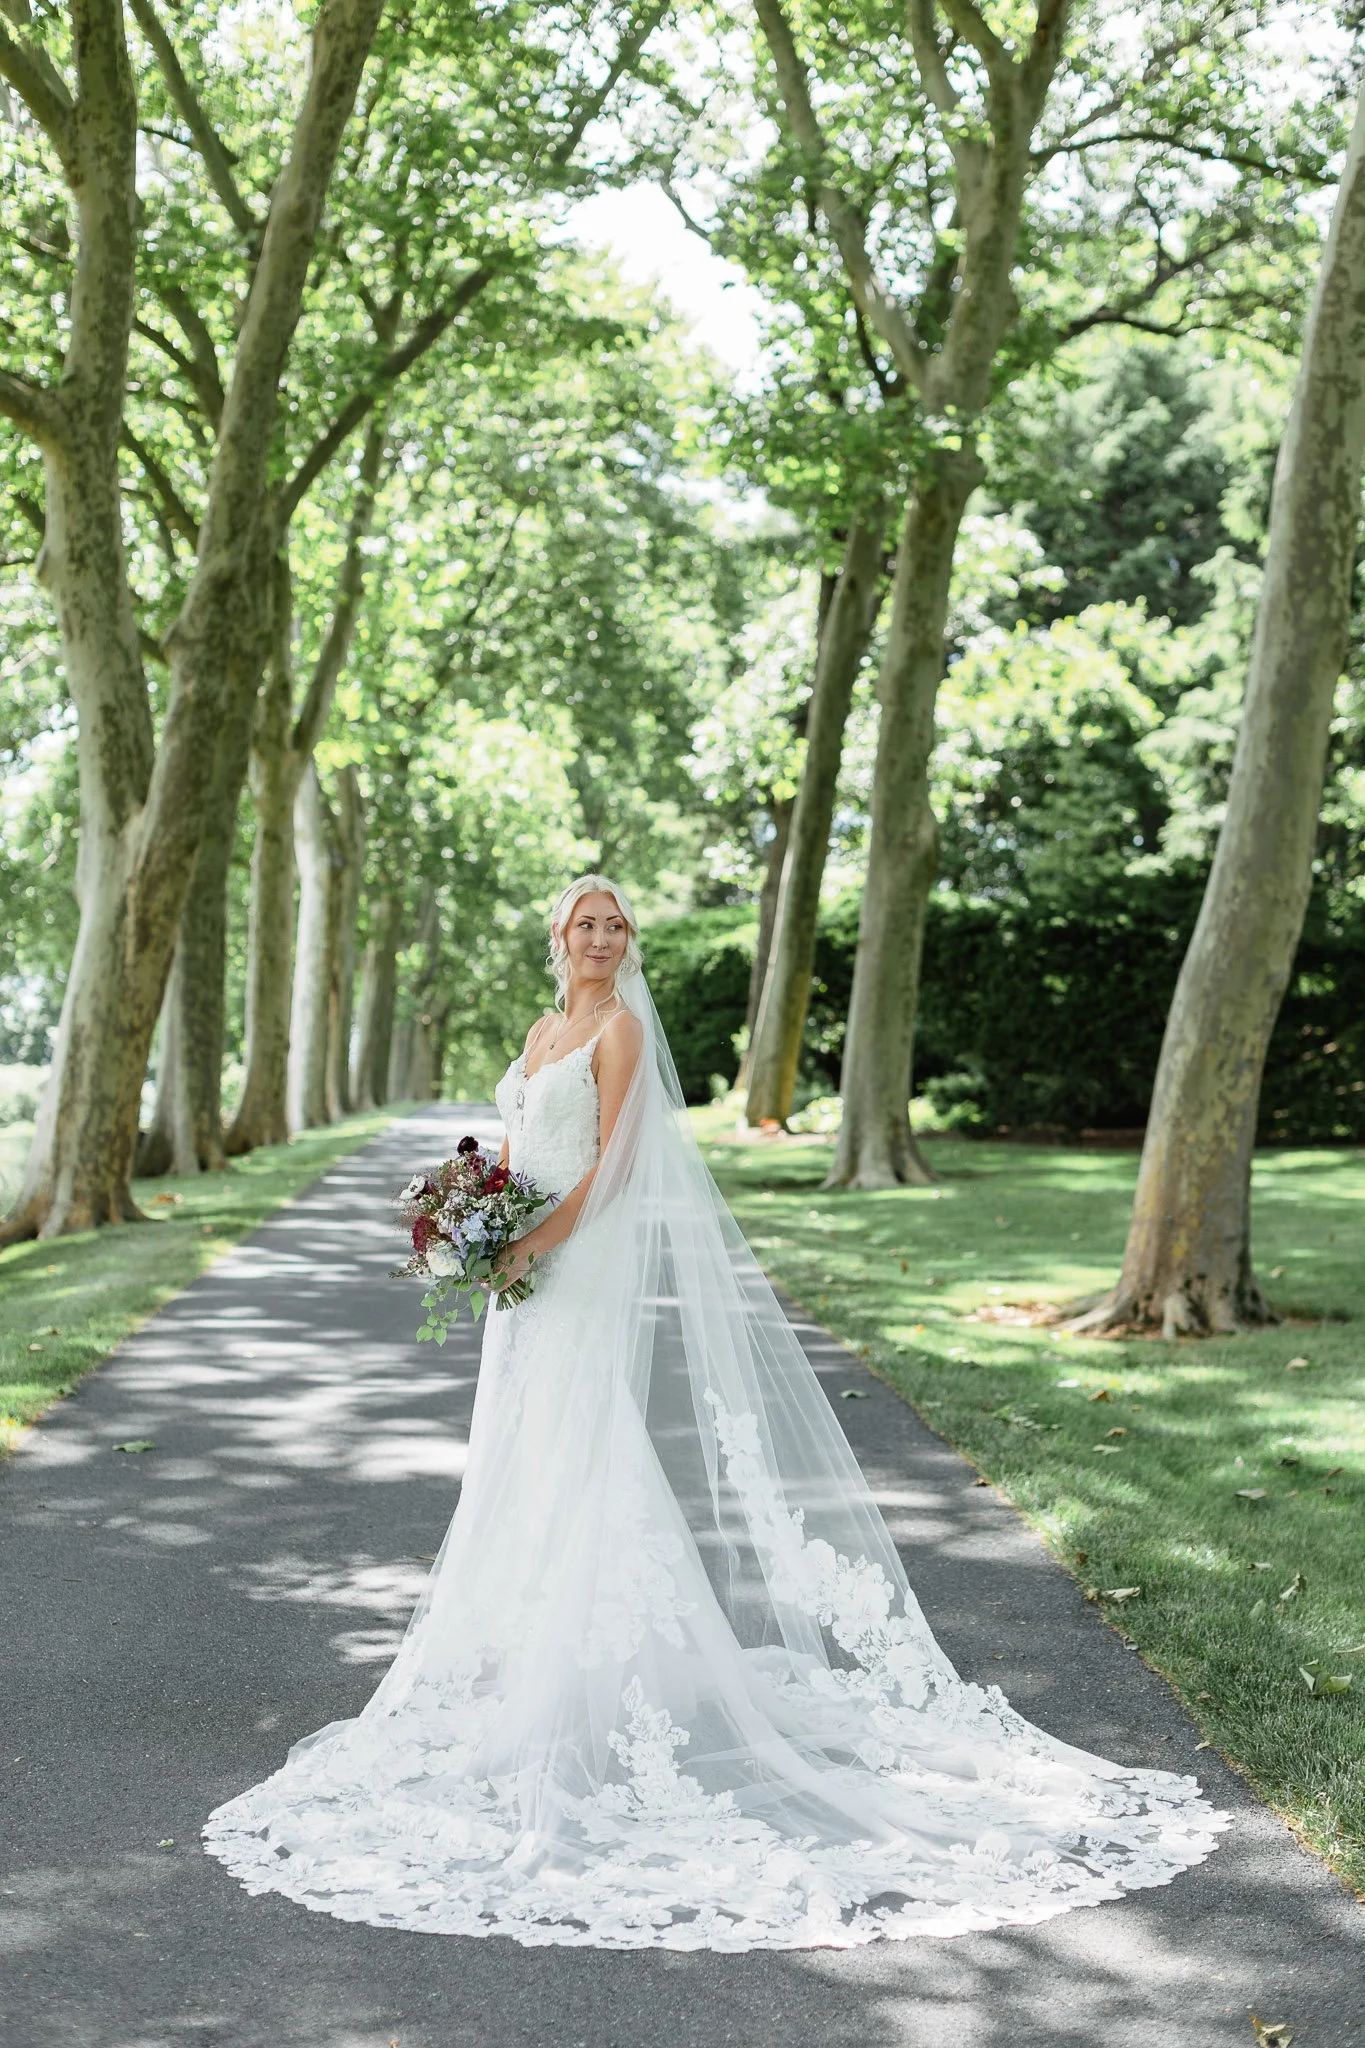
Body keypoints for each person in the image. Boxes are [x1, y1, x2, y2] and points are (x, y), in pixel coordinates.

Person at [204, 873, 1226, 1949]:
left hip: (578, 1262)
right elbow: (513, 1151)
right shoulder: (543, 1028)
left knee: (584, 1441)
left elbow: (613, 1172)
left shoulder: (623, 1032)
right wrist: (474, 1222)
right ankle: (532, 1653)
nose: (602, 937)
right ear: (558, 935)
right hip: (520, 1273)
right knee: (524, 1450)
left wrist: (526, 1246)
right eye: (586, 923)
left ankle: (590, 1679)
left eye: (615, 924)